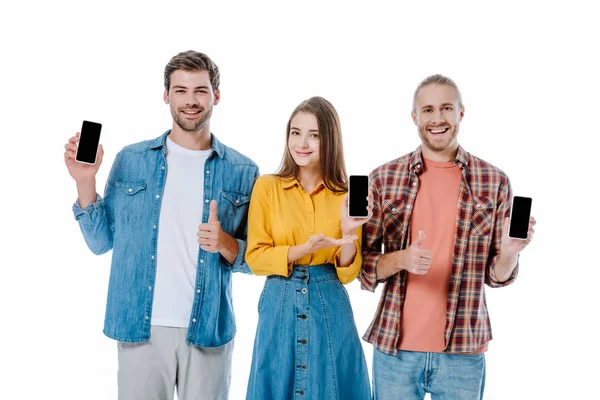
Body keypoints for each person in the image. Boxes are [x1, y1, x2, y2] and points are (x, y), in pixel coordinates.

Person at [63, 50, 259, 400]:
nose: (190, 101)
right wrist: (84, 182)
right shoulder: (132, 160)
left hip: (208, 328)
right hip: (141, 326)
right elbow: (100, 242)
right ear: (166, 95)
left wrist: (225, 243)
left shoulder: (243, 170)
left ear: (216, 96)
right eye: (180, 90)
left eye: (200, 90)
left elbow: (255, 258)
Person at [359, 74, 537, 399]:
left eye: (446, 108)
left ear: (461, 113)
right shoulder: (384, 178)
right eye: (427, 110)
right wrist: (402, 259)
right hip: (395, 350)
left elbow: (496, 277)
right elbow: (365, 268)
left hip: (463, 354)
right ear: (414, 117)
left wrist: (510, 253)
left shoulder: (494, 181)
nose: (437, 118)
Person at [244, 96, 373, 400]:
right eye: (295, 132)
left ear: (330, 140)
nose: (302, 143)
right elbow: (255, 259)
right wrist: (301, 250)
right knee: (275, 382)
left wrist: (350, 233)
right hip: (279, 300)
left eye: (314, 135)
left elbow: (346, 275)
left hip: (330, 303)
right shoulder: (267, 187)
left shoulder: (346, 194)